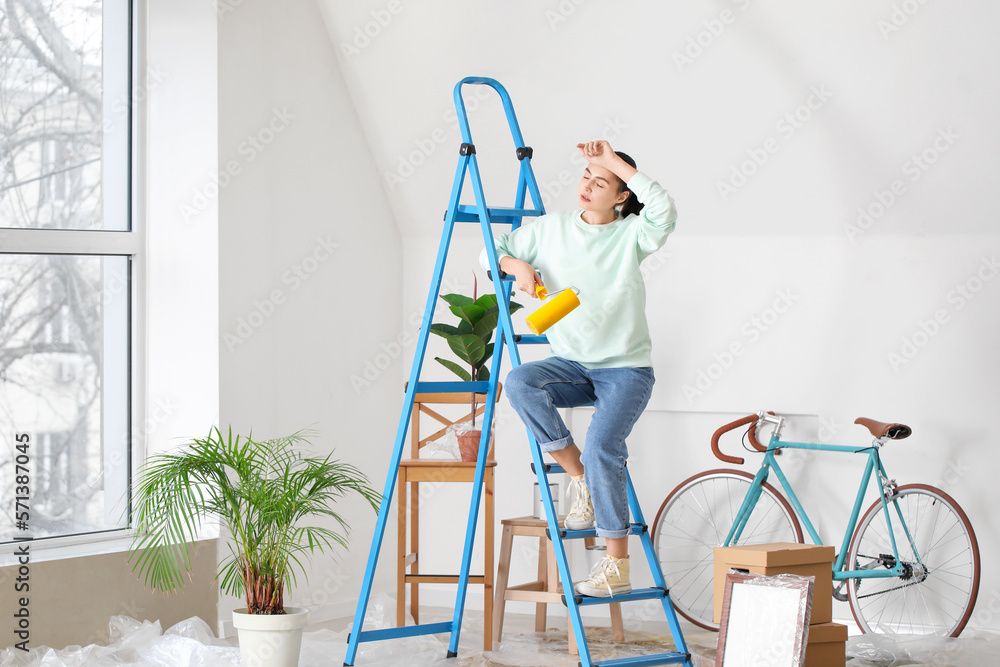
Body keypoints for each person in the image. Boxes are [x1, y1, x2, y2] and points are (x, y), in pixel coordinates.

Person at [480, 139, 677, 597]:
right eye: (586, 177)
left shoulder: (632, 235)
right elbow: (494, 248)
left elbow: (664, 210)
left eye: (601, 181)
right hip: (574, 366)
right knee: (521, 382)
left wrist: (615, 161)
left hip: (626, 371)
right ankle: (579, 479)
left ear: (622, 194)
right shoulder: (550, 230)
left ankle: (616, 566)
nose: (588, 186)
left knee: (604, 446)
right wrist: (517, 267)